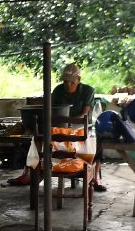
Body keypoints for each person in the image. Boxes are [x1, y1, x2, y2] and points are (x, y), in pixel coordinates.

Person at [7, 63, 105, 191]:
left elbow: (84, 114)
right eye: (65, 82)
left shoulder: (88, 90)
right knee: (34, 140)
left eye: (72, 82)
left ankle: (95, 178)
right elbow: (50, 110)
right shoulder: (58, 90)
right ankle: (28, 174)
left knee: (99, 143)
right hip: (58, 128)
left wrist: (70, 123)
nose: (68, 85)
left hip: (79, 127)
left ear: (78, 80)